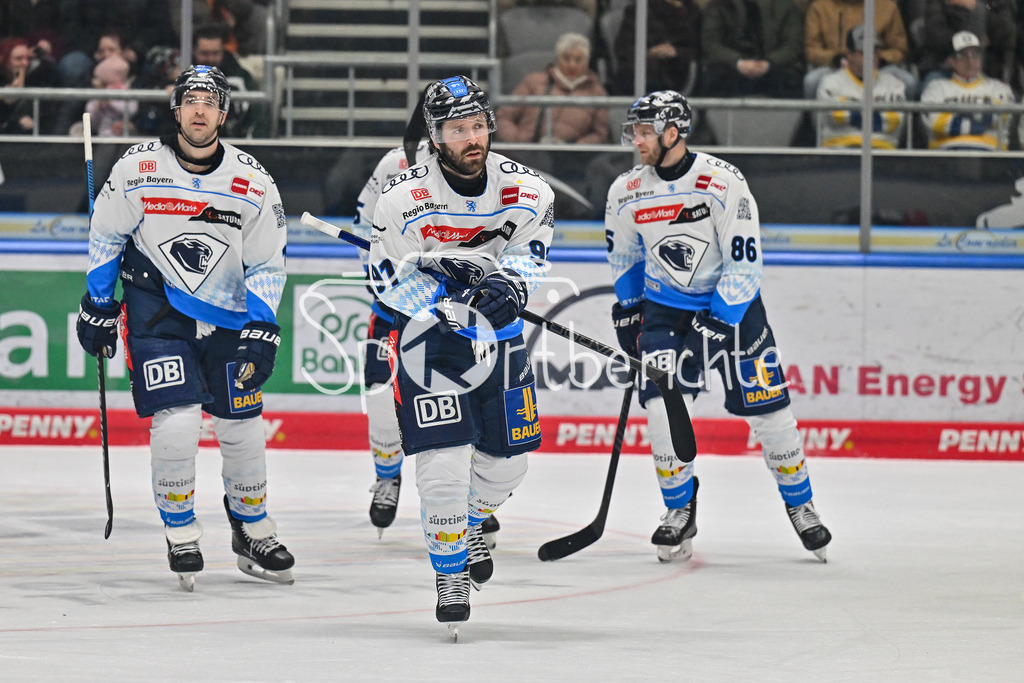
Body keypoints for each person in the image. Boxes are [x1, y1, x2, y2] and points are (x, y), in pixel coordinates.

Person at [75, 65, 293, 591]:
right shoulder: (138, 166)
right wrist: (99, 303)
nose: (199, 109)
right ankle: (181, 531)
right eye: (190, 100)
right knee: (177, 420)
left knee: (243, 426)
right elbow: (106, 235)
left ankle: (252, 528)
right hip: (157, 310)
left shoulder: (252, 180)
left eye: (210, 101)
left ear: (223, 114)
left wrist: (262, 326)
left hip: (229, 315)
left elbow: (267, 263)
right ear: (176, 110)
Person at [606, 90, 831, 564]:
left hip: (733, 309)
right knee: (663, 413)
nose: (636, 140)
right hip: (665, 311)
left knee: (771, 415)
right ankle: (679, 510)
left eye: (645, 132)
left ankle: (801, 504)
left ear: (673, 133)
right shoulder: (626, 190)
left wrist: (717, 322)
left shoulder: (722, 181)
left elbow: (745, 264)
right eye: (634, 131)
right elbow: (625, 254)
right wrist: (628, 308)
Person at [367, 75, 553, 628]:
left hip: (499, 338)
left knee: (508, 464)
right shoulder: (401, 198)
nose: (470, 138)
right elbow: (387, 282)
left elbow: (528, 258)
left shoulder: (529, 190)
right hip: (430, 344)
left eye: (476, 126)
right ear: (435, 137)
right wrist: (446, 303)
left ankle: (471, 521)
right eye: (455, 129)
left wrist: (511, 289)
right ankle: (450, 572)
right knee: (443, 468)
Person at [352, 88, 505, 548]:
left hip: (465, 316)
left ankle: (466, 498)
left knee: (469, 401)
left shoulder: (482, 167)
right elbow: (364, 222)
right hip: (398, 309)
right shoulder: (396, 165)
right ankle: (387, 476)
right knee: (381, 396)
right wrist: (386, 277)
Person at [495, 32, 608, 144]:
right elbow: (504, 117)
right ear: (557, 59)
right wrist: (518, 141)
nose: (572, 65)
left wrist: (575, 147)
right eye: (566, 58)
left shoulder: (597, 92)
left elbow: (600, 134)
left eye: (578, 60)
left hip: (573, 153)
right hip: (526, 149)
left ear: (587, 62)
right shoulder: (533, 81)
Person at [920, 31, 1016, 150]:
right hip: (946, 152)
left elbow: (1003, 118)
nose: (970, 61)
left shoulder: (999, 88)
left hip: (990, 153)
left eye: (975, 54)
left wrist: (958, 117)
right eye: (962, 55)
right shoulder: (936, 88)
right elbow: (935, 123)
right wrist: (979, 118)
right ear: (951, 60)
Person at [803, 0, 917, 99]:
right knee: (811, 81)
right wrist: (836, 59)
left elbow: (899, 49)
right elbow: (812, 49)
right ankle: (816, 118)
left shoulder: (887, 7)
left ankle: (902, 117)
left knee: (909, 82)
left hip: (879, 68)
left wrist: (878, 59)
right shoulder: (820, 7)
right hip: (835, 67)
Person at [816, 25, 907, 148]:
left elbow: (894, 120)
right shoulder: (830, 82)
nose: (872, 57)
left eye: (874, 51)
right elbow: (835, 115)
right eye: (864, 52)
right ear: (849, 54)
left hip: (882, 152)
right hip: (839, 151)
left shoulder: (894, 84)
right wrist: (876, 114)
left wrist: (852, 109)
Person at [699, 0, 804, 98]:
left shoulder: (786, 6)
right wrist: (738, 62)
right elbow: (711, 43)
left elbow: (793, 46)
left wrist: (768, 63)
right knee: (715, 81)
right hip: (729, 68)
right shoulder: (719, 5)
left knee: (789, 82)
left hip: (775, 68)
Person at [917, 0, 1016, 92]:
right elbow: (935, 35)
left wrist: (977, 8)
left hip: (987, 70)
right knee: (931, 86)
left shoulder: (991, 3)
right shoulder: (938, 3)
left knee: (1002, 92)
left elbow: (1005, 31)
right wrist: (975, 39)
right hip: (943, 67)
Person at [191, 23, 267, 138]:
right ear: (194, 51)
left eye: (216, 53)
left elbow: (258, 118)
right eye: (204, 53)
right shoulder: (180, 76)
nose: (210, 59)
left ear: (223, 51)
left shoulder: (241, 77)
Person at [612, 0, 701, 96]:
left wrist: (676, 52)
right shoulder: (638, 11)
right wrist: (649, 53)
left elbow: (698, 49)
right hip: (643, 73)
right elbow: (624, 47)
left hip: (679, 72)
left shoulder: (692, 12)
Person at [0, 36, 58, 134]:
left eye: (28, 58)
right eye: (19, 59)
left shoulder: (36, 78)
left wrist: (43, 56)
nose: (25, 63)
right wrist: (6, 101)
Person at [84, 54, 137, 137]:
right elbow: (90, 117)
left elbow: (131, 110)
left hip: (121, 136)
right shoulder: (98, 94)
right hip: (102, 135)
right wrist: (98, 104)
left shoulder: (126, 91)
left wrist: (111, 102)